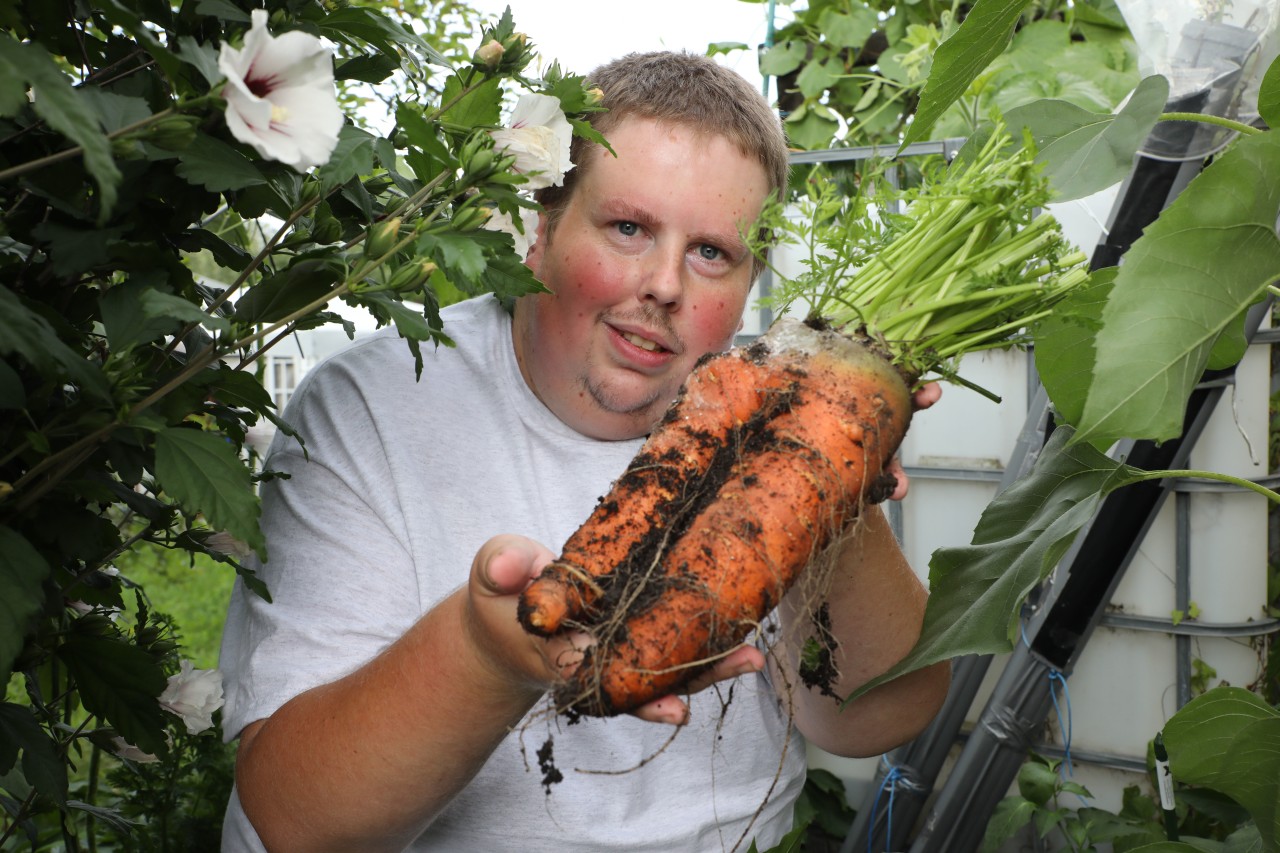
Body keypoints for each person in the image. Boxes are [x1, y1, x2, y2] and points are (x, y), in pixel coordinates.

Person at [218, 50, 950, 853]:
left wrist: (833, 484)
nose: (666, 284)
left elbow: (873, 715)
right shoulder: (375, 405)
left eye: (713, 252)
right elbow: (298, 818)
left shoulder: (773, 412)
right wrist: (484, 653)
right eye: (629, 227)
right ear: (541, 231)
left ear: (750, 283)